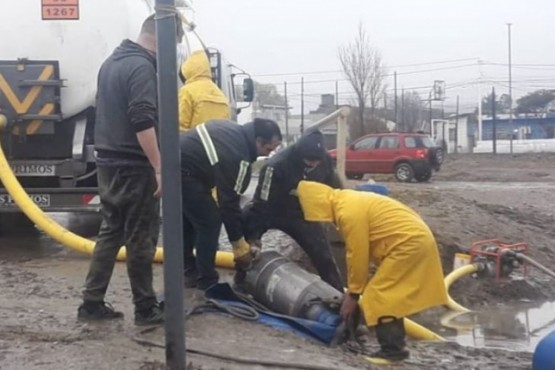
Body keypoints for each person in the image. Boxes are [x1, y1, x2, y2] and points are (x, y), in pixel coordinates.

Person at [77, 14, 184, 325]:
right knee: (141, 237)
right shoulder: (141, 67)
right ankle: (146, 308)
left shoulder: (111, 62)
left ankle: (91, 303)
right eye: (174, 45)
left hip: (108, 162)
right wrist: (159, 167)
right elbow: (141, 119)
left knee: (110, 233)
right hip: (134, 165)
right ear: (162, 39)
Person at [296, 180, 448, 363]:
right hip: (413, 240)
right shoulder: (346, 201)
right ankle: (394, 346)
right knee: (389, 296)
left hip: (408, 244)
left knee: (379, 296)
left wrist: (353, 295)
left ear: (315, 205)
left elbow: (357, 255)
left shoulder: (348, 212)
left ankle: (392, 351)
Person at [180, 118, 282, 291]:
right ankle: (207, 281)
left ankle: (189, 271)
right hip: (185, 174)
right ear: (257, 141)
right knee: (210, 222)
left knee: (191, 221)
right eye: (267, 149)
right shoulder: (238, 155)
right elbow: (228, 204)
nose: (267, 155)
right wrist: (239, 245)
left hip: (175, 165)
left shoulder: (234, 132)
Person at [241, 130, 344, 291]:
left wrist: (338, 216)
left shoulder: (325, 161)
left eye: (316, 161)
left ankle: (336, 292)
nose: (312, 164)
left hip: (301, 214)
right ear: (299, 153)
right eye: (308, 160)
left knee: (323, 254)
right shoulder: (274, 166)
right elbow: (261, 203)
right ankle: (242, 279)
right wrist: (254, 236)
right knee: (246, 221)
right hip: (272, 209)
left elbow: (335, 189)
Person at [178, 50, 230, 132]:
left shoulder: (187, 91)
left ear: (188, 70)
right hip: (217, 144)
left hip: (195, 143)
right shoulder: (220, 94)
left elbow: (181, 127)